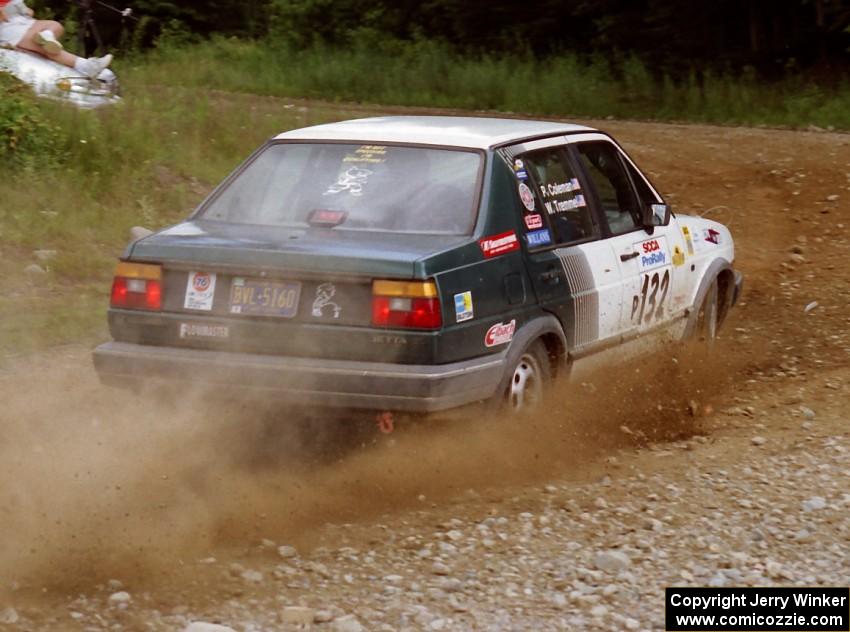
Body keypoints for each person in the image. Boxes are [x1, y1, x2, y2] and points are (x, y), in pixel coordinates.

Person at [0, 0, 112, 78]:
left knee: (56, 26)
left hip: (22, 22)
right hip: (8, 30)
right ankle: (88, 66)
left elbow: (27, 11)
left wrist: (23, 10)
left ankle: (46, 36)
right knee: (46, 48)